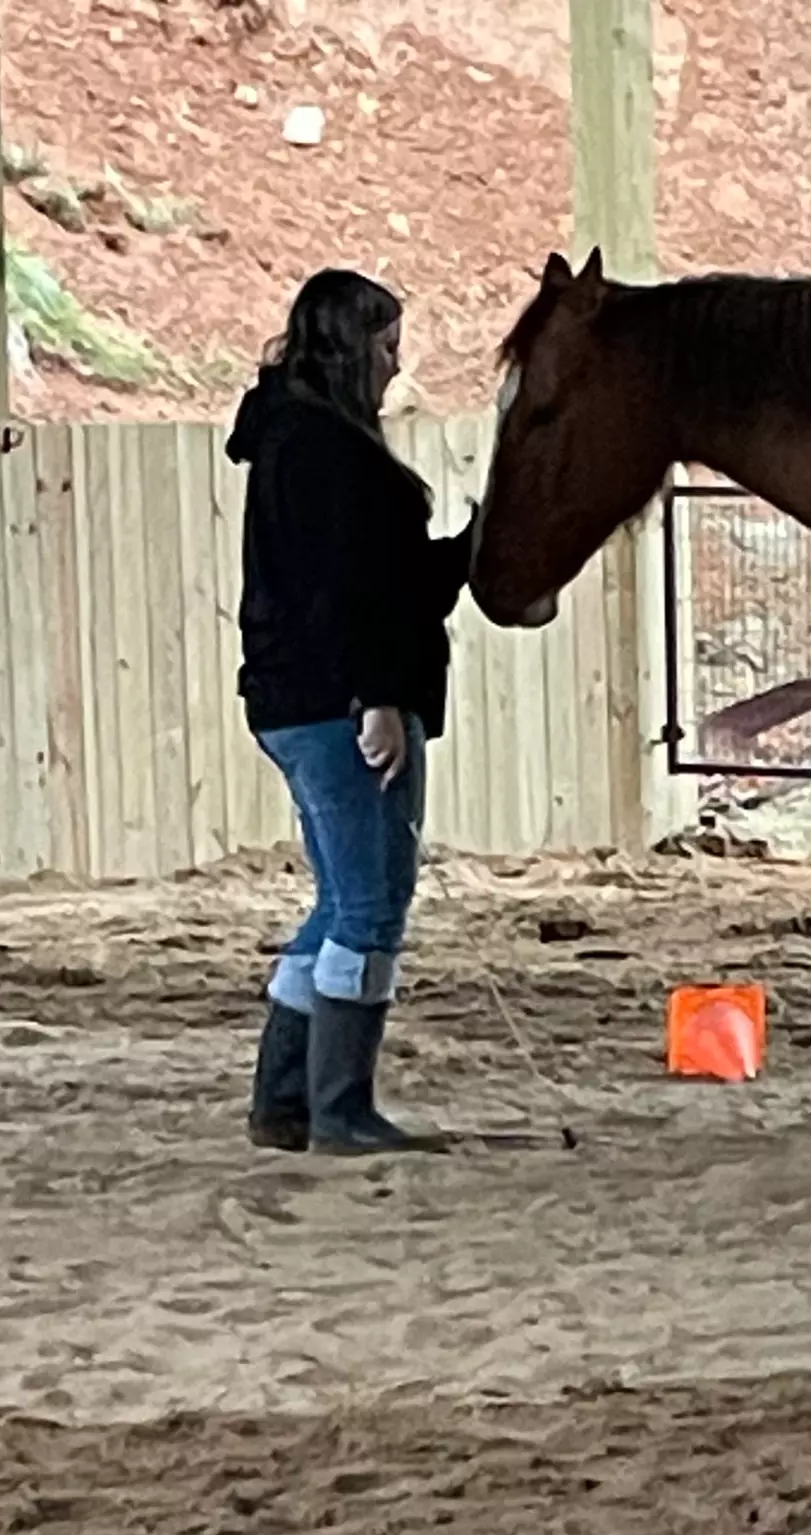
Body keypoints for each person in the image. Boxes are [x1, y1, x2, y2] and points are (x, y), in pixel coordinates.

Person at [226, 269, 473, 1155]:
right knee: (371, 907)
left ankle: (287, 1100)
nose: (394, 366)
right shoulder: (326, 452)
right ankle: (341, 1108)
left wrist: (465, 553)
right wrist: (375, 697)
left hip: (301, 697)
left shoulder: (297, 439)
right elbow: (346, 593)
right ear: (346, 347)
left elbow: (389, 587)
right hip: (339, 699)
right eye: (384, 347)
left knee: (339, 903)